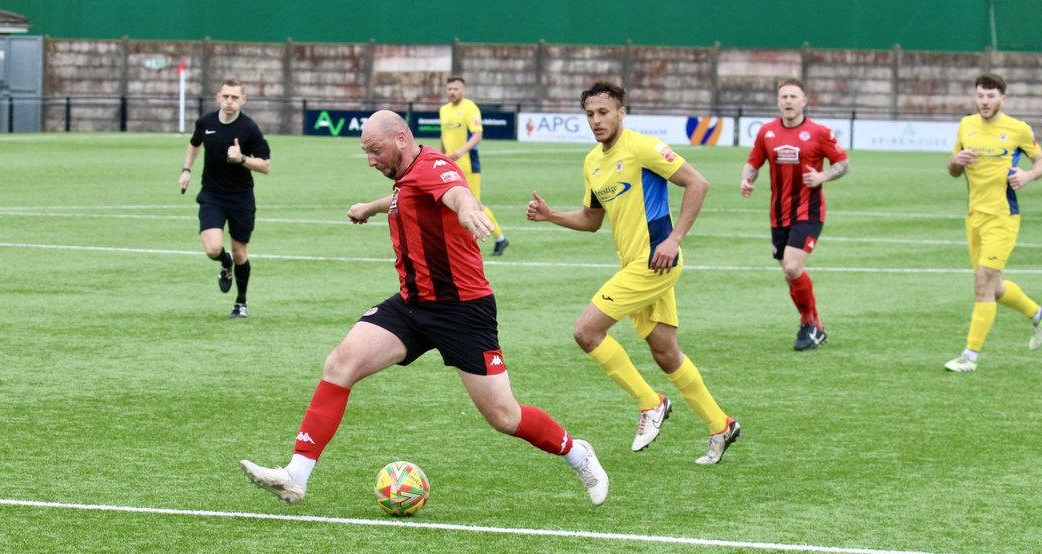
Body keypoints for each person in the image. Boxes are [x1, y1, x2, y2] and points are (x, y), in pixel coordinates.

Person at [239, 110, 607, 505]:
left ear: (400, 139)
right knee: (340, 364)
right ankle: (296, 475)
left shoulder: (435, 167)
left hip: (463, 311)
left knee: (505, 416)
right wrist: (371, 206)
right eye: (366, 153)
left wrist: (467, 210)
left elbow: (456, 193)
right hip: (412, 306)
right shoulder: (407, 175)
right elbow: (406, 195)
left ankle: (577, 453)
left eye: (375, 151)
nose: (371, 161)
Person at [527, 81, 739, 465]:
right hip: (636, 265)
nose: (596, 120)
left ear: (621, 113)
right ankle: (720, 425)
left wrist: (674, 239)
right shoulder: (593, 162)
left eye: (604, 112)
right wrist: (551, 215)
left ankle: (651, 403)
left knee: (586, 331)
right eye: (590, 114)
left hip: (655, 261)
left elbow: (698, 182)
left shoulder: (643, 147)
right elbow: (592, 220)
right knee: (665, 351)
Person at [740, 77, 850, 351]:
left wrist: (823, 176)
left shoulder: (819, 132)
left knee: (791, 267)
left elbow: (843, 163)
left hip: (809, 211)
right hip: (778, 214)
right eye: (784, 97)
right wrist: (747, 179)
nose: (788, 101)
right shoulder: (767, 132)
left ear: (804, 101)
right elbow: (753, 163)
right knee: (790, 273)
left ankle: (808, 324)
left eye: (793, 96)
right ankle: (818, 328)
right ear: (778, 102)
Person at [943, 73, 1042, 372]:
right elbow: (953, 169)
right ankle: (1038, 316)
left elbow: (1039, 160)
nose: (985, 102)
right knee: (994, 289)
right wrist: (956, 162)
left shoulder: (1017, 129)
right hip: (974, 217)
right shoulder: (967, 125)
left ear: (1002, 99)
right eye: (980, 96)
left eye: (990, 97)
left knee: (982, 282)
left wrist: (1027, 175)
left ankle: (969, 356)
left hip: (1003, 217)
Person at [178, 79, 272, 319]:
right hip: (212, 195)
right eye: (226, 97)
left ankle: (241, 302)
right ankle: (224, 261)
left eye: (235, 98)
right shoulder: (206, 122)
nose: (230, 102)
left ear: (243, 100)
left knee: (241, 253)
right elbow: (194, 144)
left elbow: (265, 165)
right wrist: (186, 170)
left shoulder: (249, 129)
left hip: (241, 198)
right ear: (218, 96)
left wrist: (242, 158)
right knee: (212, 249)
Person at [439, 76, 509, 255]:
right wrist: (441, 156)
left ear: (463, 90)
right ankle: (454, 243)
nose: (452, 92)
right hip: (449, 164)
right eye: (449, 89)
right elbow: (443, 135)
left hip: (468, 164)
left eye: (456, 89)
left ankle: (500, 238)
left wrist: (460, 152)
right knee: (450, 203)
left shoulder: (470, 108)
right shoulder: (444, 110)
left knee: (474, 204)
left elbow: (478, 135)